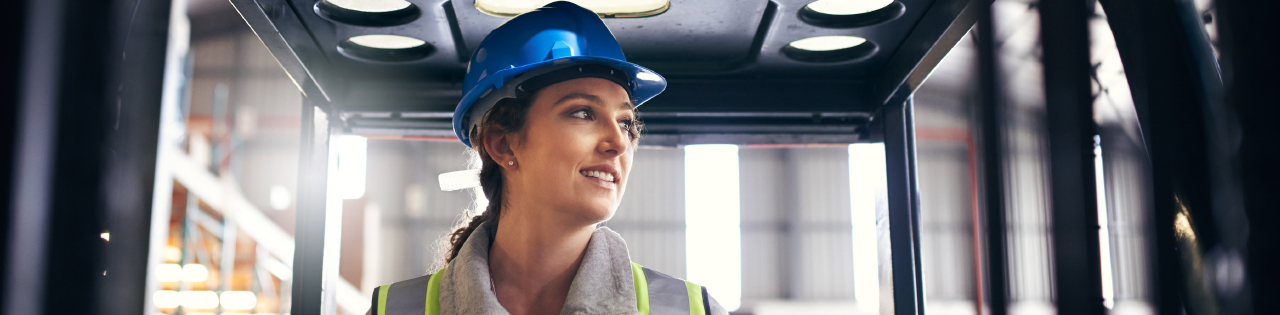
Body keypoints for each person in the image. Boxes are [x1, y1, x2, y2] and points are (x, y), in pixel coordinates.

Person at [368, 2, 727, 315]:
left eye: (626, 122)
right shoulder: (396, 310)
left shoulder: (690, 309)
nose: (618, 143)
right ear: (503, 145)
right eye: (583, 113)